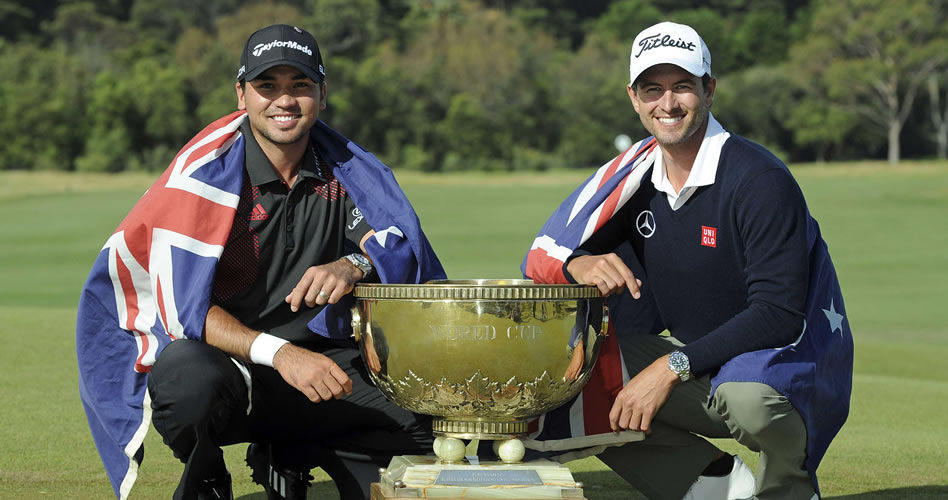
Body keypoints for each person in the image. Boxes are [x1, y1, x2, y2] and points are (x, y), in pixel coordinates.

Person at [77, 24, 446, 500]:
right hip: (235, 368)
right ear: (241, 94)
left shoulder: (346, 172)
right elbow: (184, 310)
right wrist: (282, 355)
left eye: (300, 86)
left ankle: (294, 454)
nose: (284, 101)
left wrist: (352, 263)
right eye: (267, 86)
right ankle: (209, 475)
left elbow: (396, 244)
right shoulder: (202, 177)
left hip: (325, 364)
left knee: (428, 414)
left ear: (322, 93)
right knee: (183, 377)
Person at [522, 22, 853, 500]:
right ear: (634, 98)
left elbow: (778, 315)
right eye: (652, 89)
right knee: (574, 373)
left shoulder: (758, 179)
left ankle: (791, 488)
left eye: (683, 87)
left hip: (783, 365)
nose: (668, 104)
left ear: (709, 90)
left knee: (748, 398)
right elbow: (555, 250)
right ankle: (714, 483)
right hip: (705, 367)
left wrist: (671, 366)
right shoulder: (633, 181)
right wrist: (578, 265)